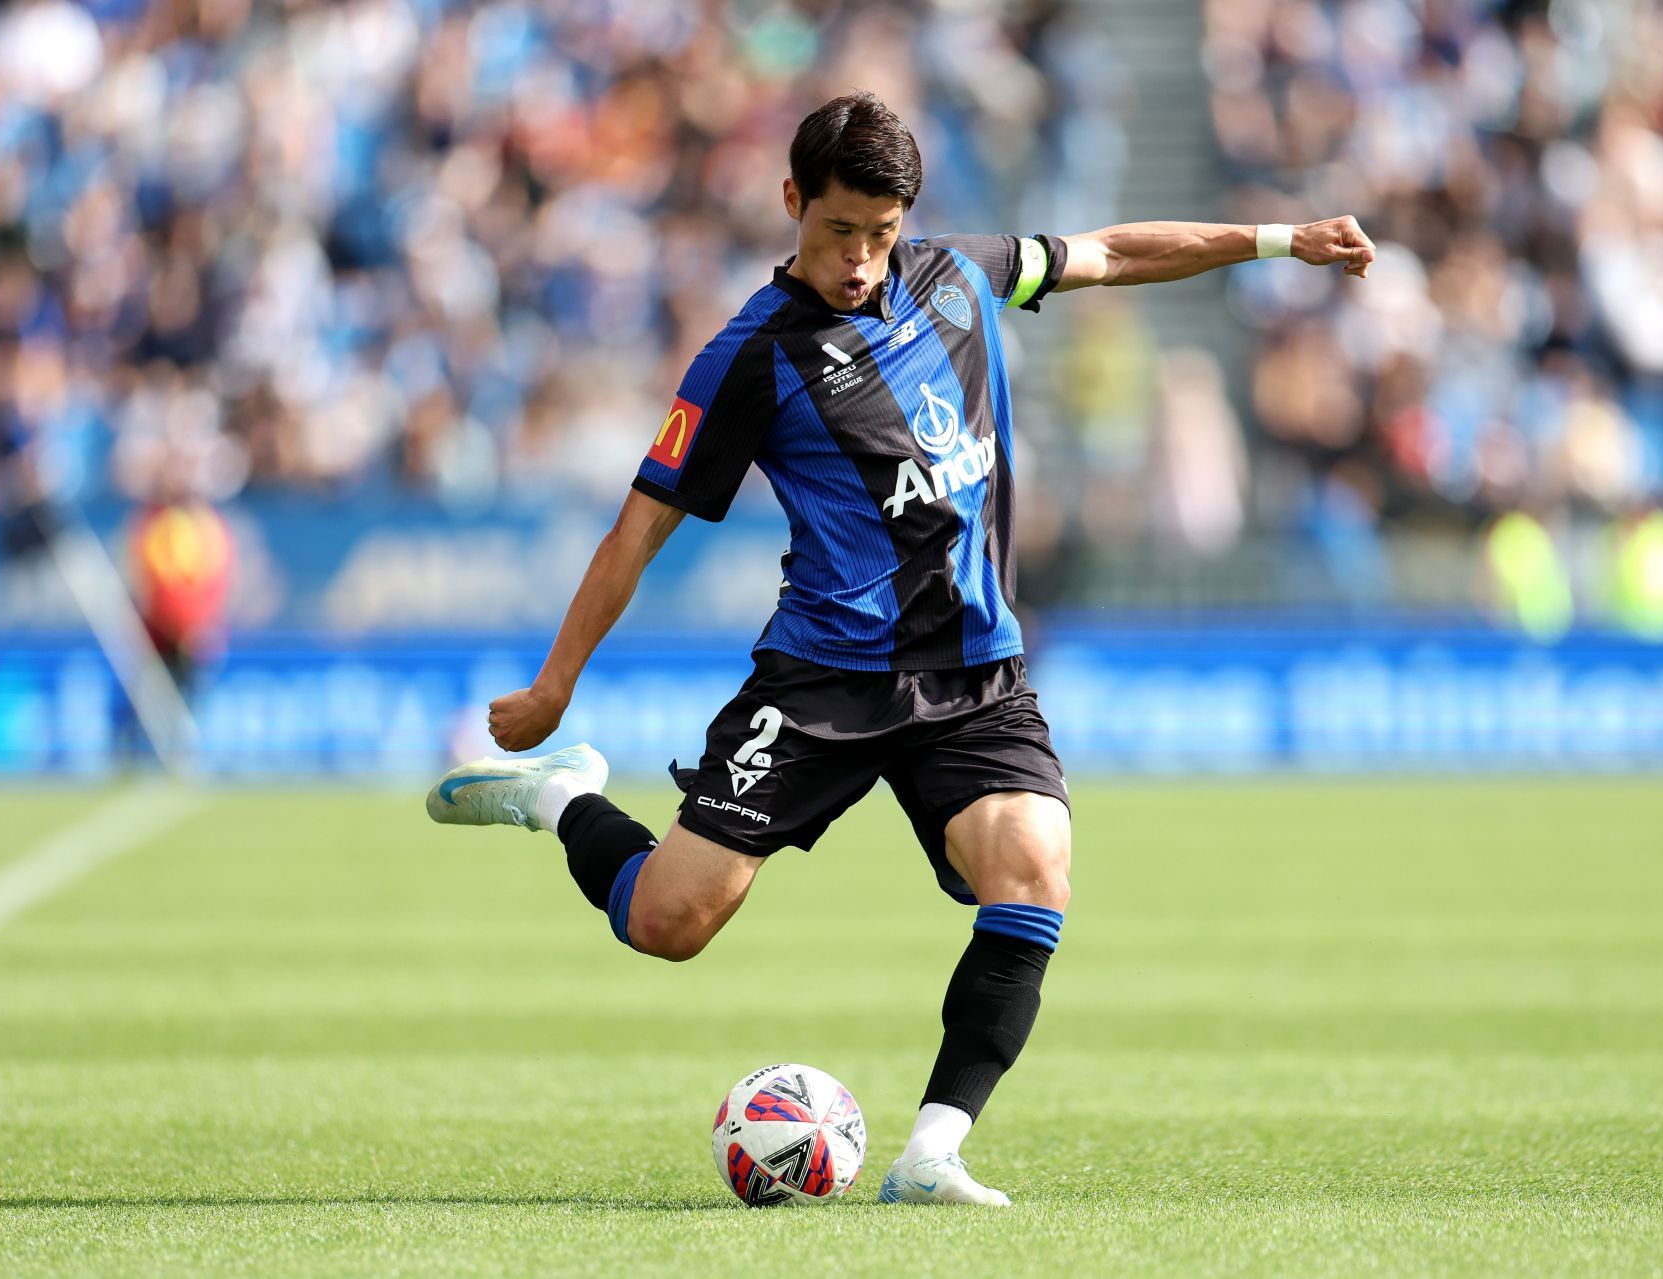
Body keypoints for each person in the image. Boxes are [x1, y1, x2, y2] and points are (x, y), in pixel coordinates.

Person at [427, 92, 1374, 1205]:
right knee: (667, 922)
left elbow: (1110, 253)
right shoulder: (749, 358)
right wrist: (554, 685)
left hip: (974, 678)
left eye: (882, 233)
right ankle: (559, 798)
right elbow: (638, 526)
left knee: (1033, 871)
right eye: (839, 233)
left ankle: (933, 1152)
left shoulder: (955, 275)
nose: (863, 260)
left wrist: (1276, 241)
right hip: (824, 681)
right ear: (792, 203)